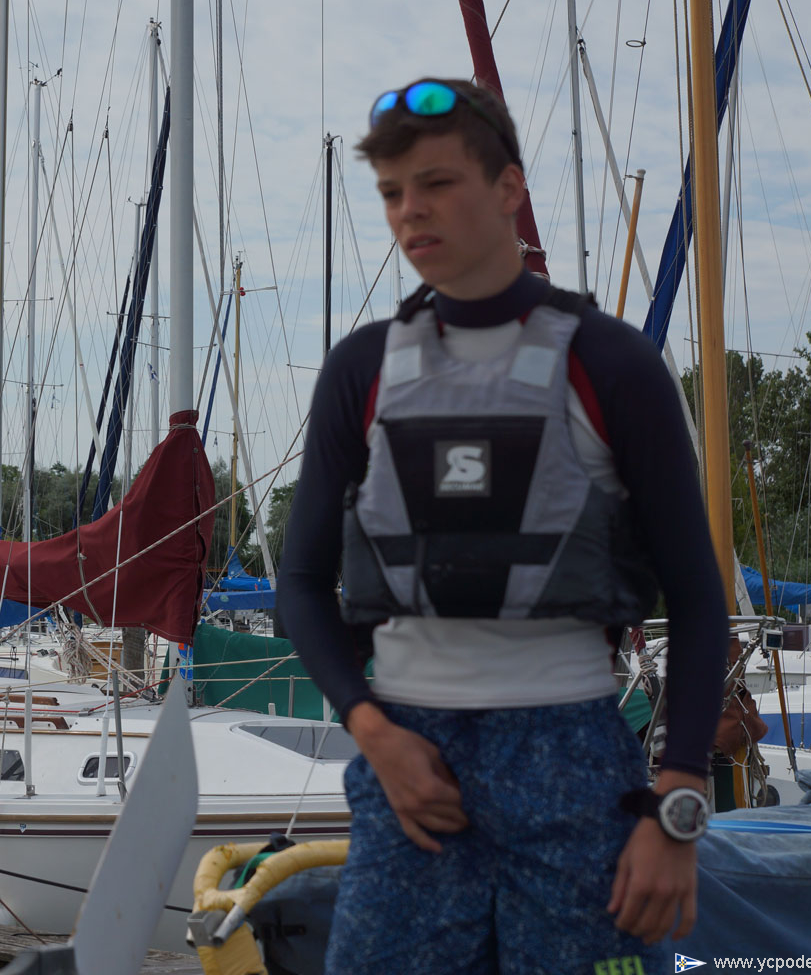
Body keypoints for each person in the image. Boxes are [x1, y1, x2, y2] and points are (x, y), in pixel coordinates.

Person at [278, 78, 728, 973]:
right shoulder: (360, 371)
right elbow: (299, 582)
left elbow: (695, 596)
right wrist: (372, 731)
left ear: (509, 188)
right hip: (408, 760)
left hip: (572, 763)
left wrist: (676, 804)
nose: (410, 211)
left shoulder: (613, 364)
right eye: (392, 193)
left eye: (437, 183)